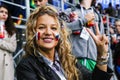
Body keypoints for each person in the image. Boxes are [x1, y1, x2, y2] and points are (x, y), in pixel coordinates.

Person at [16, 5, 113, 80]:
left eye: (54, 28)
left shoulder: (69, 60)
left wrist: (101, 54)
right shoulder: (26, 66)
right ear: (33, 32)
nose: (48, 32)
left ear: (60, 33)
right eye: (41, 27)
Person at [0, 4, 17, 80]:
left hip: (7, 66)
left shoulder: (11, 31)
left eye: (6, 13)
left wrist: (0, 42)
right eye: (1, 12)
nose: (4, 14)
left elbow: (13, 48)